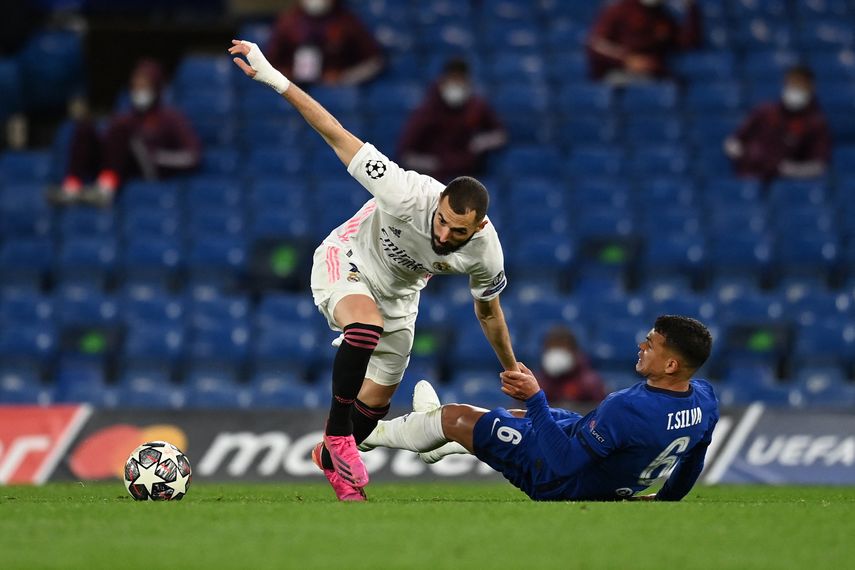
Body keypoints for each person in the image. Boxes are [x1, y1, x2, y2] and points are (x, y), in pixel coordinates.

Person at [229, 39, 518, 501]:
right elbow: (334, 132)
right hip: (348, 260)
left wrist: (511, 368)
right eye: (441, 220)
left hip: (400, 296)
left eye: (458, 231)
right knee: (365, 327)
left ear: (479, 226)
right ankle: (337, 438)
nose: (444, 234)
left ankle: (330, 458)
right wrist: (273, 77)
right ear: (439, 200)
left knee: (375, 406)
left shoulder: (486, 251)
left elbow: (489, 312)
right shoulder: (405, 192)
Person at [362, 315, 718, 502]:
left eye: (651, 344)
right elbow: (694, 460)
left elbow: (563, 462)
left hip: (558, 481)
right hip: (603, 473)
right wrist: (667, 499)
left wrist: (535, 398)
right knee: (516, 419)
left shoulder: (627, 407)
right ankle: (434, 441)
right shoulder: (704, 399)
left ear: (671, 365)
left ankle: (365, 434)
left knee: (455, 417)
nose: (641, 345)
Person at [49, 59, 202, 207]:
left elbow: (192, 156)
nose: (138, 91)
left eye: (144, 87)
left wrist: (156, 157)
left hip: (148, 168)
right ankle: (72, 186)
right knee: (85, 128)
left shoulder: (171, 118)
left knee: (121, 128)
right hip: (119, 165)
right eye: (135, 87)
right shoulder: (126, 116)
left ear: (155, 87)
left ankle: (106, 187)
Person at [397, 57, 506, 183]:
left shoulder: (477, 106)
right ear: (443, 82)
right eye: (453, 80)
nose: (456, 86)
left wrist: (483, 141)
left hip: (469, 177)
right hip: (435, 179)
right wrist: (430, 164)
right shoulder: (426, 110)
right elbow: (405, 155)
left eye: (460, 81)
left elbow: (500, 135)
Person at [724, 65, 831, 183]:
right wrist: (744, 154)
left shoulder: (815, 123)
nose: (795, 89)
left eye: (800, 85)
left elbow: (819, 165)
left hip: (787, 183)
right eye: (791, 84)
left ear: (811, 88)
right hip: (750, 177)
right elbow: (734, 142)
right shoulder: (765, 112)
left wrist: (792, 170)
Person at [265, 0, 383, 86]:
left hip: (336, 91)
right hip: (293, 87)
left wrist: (343, 77)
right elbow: (269, 62)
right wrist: (286, 76)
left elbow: (373, 61)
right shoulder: (288, 22)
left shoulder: (347, 22)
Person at [587, 0, 702, 85]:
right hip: (623, 75)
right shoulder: (619, 10)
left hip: (656, 77)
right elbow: (595, 45)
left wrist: (691, 9)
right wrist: (627, 60)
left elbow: (687, 43)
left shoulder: (664, 15)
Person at [538, 326, 605, 404]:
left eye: (562, 347)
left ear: (573, 351)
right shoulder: (538, 383)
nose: (557, 354)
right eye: (553, 347)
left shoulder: (590, 383)